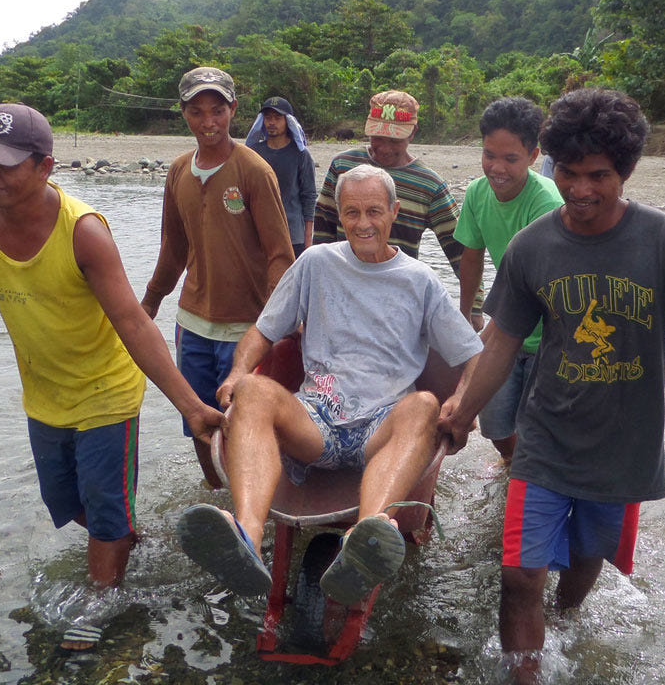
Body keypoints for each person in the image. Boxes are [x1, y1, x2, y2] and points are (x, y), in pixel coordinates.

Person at [438, 89, 665, 684]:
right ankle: (523, 674)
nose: (580, 189)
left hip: (623, 448)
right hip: (546, 438)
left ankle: (568, 627)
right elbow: (501, 342)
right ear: (552, 165)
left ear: (625, 171)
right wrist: (463, 411)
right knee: (519, 575)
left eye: (598, 176)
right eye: (570, 173)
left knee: (584, 563)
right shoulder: (534, 247)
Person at [0, 103, 224, 651]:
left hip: (105, 393)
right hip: (43, 394)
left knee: (104, 513)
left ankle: (101, 601)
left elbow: (133, 322)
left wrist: (190, 407)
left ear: (45, 167)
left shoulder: (84, 231)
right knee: (67, 504)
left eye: (5, 164)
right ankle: (127, 536)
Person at [177, 164, 483, 606]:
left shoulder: (420, 280)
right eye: (352, 212)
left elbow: (474, 355)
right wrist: (237, 374)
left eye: (374, 211)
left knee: (425, 404)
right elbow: (263, 332)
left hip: (382, 426)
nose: (363, 224)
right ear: (339, 216)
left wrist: (461, 402)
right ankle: (246, 535)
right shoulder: (316, 263)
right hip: (316, 418)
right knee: (255, 392)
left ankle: (366, 536)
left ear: (394, 212)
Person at [140, 67, 295, 487]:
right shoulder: (177, 172)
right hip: (192, 324)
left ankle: (250, 500)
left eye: (217, 111)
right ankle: (215, 492)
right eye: (197, 112)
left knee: (243, 423)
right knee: (197, 420)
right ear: (184, 114)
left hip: (245, 328)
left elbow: (280, 256)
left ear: (234, 111)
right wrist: (148, 305)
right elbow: (172, 249)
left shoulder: (254, 171)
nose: (208, 122)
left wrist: (275, 323)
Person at [313, 90, 485, 329]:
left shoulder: (429, 185)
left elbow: (462, 250)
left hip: (398, 302)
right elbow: (323, 229)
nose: (383, 148)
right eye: (377, 138)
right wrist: (317, 288)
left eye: (394, 140)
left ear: (413, 133)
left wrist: (474, 308)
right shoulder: (343, 166)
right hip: (342, 293)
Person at [455, 97, 563, 460]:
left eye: (510, 159)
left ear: (533, 157)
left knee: (537, 428)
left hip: (547, 335)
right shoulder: (476, 193)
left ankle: (527, 474)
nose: (496, 168)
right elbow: (471, 258)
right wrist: (468, 314)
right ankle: (513, 468)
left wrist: (493, 333)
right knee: (496, 425)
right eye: (489, 155)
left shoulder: (546, 202)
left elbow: (543, 285)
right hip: (504, 330)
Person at [246, 96, 317, 257]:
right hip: (259, 231)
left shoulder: (301, 154)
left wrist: (307, 239)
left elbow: (309, 195)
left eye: (277, 118)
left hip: (292, 233)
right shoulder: (254, 153)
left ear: (288, 121)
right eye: (268, 118)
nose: (272, 122)